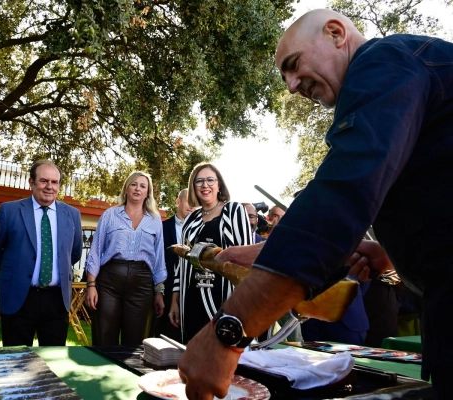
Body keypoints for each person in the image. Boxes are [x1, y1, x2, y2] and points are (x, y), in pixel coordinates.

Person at [177, 9, 453, 399]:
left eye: (293, 65)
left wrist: (228, 333)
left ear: (337, 33)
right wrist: (391, 252)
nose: (291, 86)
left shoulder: (383, 60)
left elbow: (338, 199)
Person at [0, 161, 82, 346]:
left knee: (53, 363)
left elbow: (73, 253)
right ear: (31, 182)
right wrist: (12, 271)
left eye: (54, 182)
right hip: (19, 297)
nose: (49, 186)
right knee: (15, 362)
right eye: (43, 181)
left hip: (56, 301)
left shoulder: (72, 214)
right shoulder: (9, 211)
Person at [169, 163, 252, 343]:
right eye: (199, 181)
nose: (204, 185)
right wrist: (175, 301)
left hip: (224, 298)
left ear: (219, 184)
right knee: (193, 350)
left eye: (210, 180)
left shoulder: (234, 210)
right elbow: (181, 264)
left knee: (221, 352)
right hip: (190, 297)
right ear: (193, 187)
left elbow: (245, 259)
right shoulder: (190, 219)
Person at [85, 171, 166, 346]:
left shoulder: (155, 220)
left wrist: (159, 291)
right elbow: (95, 251)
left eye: (142, 186)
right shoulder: (110, 215)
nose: (138, 189)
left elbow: (159, 258)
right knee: (105, 339)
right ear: (126, 189)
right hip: (109, 282)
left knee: (136, 343)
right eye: (133, 184)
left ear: (148, 193)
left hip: (142, 285)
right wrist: (91, 285)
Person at [150, 189, 193, 341]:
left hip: (192, 294)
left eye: (195, 203)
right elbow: (155, 261)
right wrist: (158, 292)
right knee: (164, 341)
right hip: (166, 293)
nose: (192, 206)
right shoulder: (161, 227)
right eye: (189, 201)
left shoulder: (201, 229)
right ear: (178, 201)